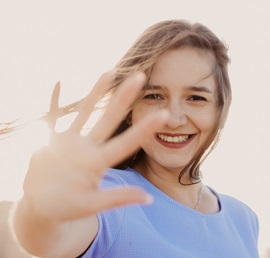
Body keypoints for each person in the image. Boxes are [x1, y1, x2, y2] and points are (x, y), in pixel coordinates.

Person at [11, 19, 259, 258]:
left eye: (196, 98)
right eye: (153, 96)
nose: (172, 119)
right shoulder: (105, 196)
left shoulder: (244, 219)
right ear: (130, 110)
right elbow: (48, 238)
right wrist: (39, 214)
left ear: (220, 111)